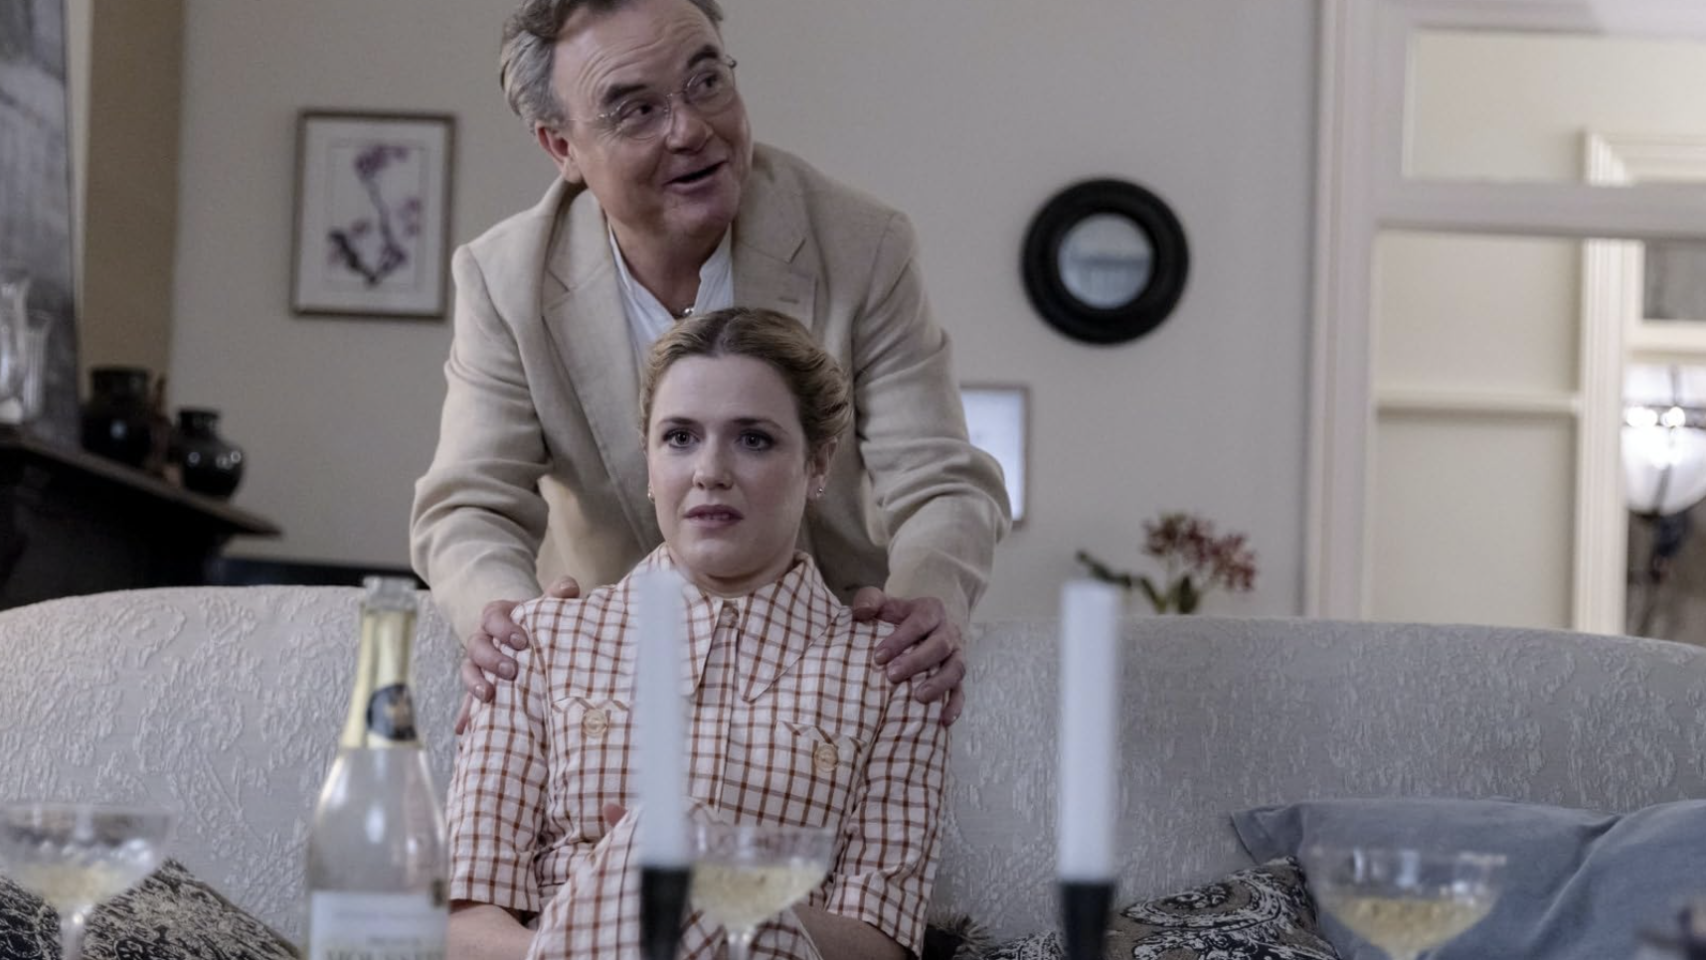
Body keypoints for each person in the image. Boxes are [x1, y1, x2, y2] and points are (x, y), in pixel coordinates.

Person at [408, 0, 1009, 728]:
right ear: (561, 147)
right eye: (637, 110)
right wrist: (511, 627)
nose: (691, 130)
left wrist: (927, 599)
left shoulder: (862, 244)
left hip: (827, 675)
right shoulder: (505, 281)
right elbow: (469, 507)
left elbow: (941, 480)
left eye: (705, 83)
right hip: (616, 679)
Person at [445, 307, 949, 960]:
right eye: (680, 437)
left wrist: (711, 883)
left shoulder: (891, 672)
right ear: (649, 463)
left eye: (754, 440)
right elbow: (463, 925)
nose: (710, 470)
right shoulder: (538, 642)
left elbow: (880, 945)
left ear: (818, 463)